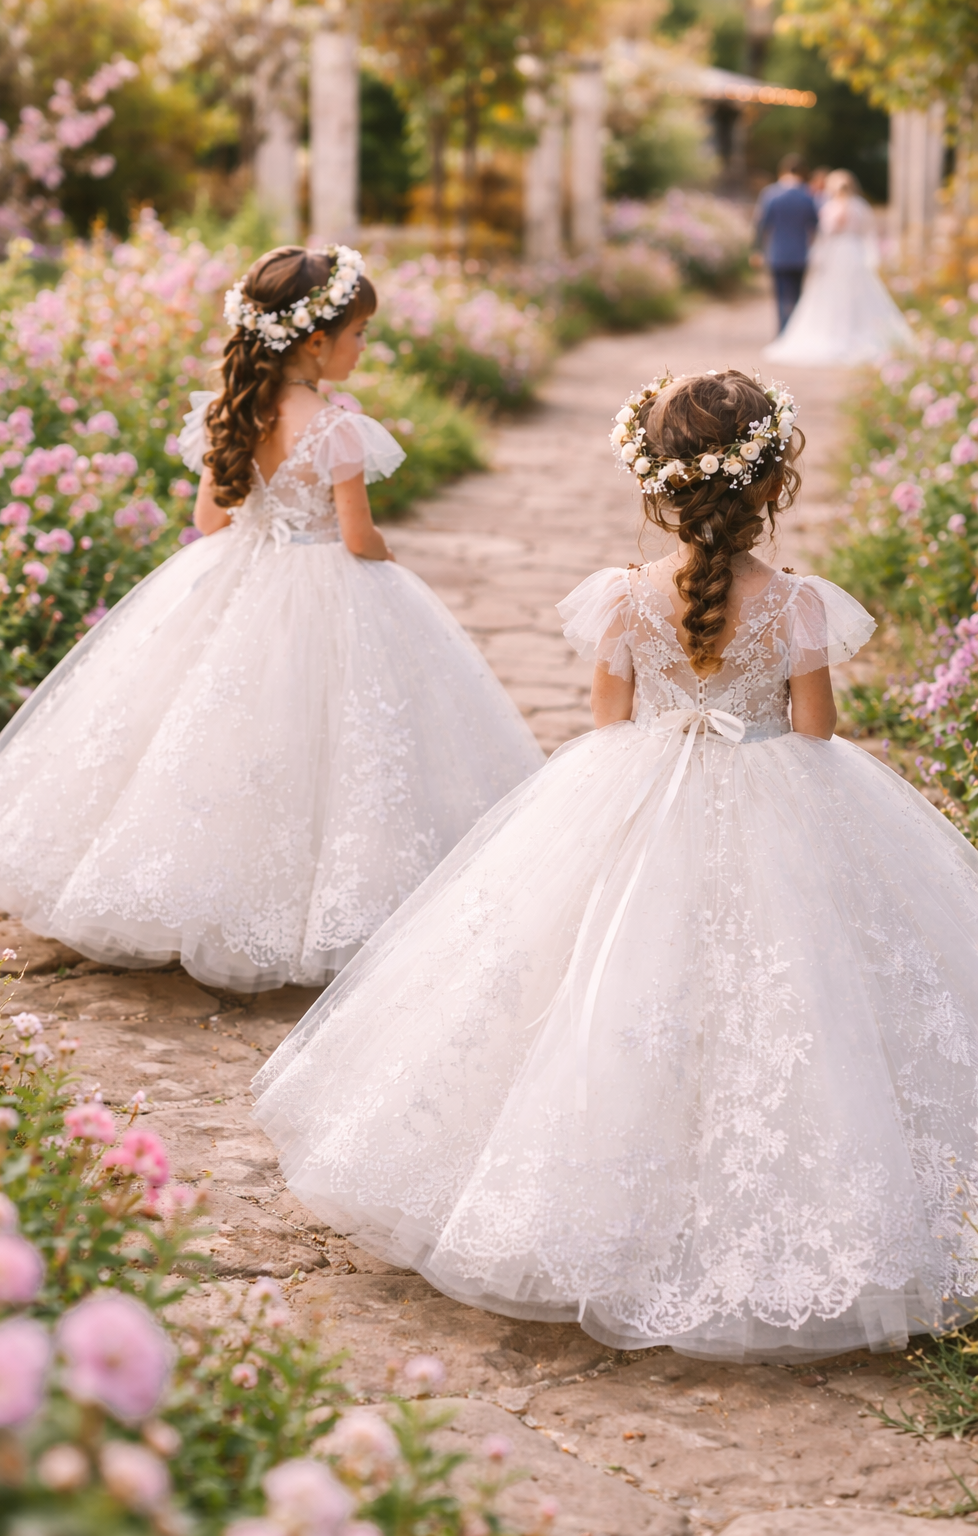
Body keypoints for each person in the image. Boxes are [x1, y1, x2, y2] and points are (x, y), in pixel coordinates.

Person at [253, 370, 978, 1363]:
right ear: (771, 487)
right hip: (774, 800)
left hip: (630, 788)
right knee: (784, 991)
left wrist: (670, 729)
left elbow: (604, 719)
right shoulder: (798, 607)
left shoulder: (626, 597)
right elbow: (814, 732)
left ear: (660, 489)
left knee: (610, 980)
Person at [0, 245, 544, 992]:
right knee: (334, 735)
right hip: (327, 580)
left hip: (242, 571)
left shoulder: (230, 410)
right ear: (315, 340)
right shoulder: (336, 427)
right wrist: (384, 553)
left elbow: (210, 519)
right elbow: (357, 536)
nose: (366, 349)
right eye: (359, 334)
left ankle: (189, 893)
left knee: (209, 728)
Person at [764, 170, 915, 366]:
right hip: (851, 253)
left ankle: (844, 334)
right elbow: (866, 233)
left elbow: (826, 232)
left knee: (842, 295)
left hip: (840, 253)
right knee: (846, 296)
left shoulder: (834, 207)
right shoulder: (860, 207)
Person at [754, 153, 818, 335]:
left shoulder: (770, 194)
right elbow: (815, 224)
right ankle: (795, 333)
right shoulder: (807, 195)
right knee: (797, 295)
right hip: (800, 253)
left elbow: (761, 224)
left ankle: (782, 331)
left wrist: (757, 249)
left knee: (781, 295)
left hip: (778, 252)